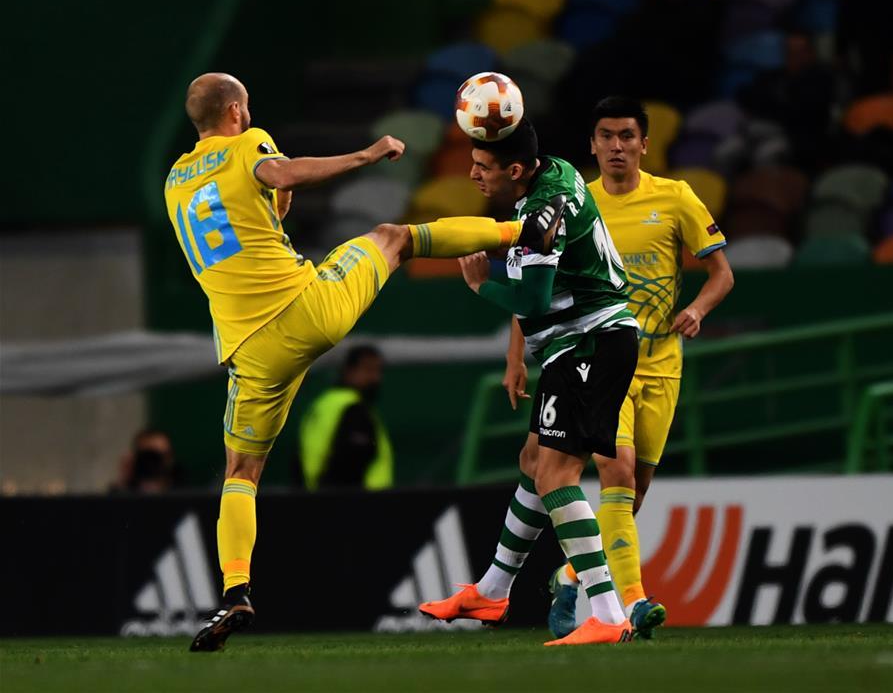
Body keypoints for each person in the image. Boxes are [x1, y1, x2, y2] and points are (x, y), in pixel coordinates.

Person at [165, 73, 558, 652]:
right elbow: (280, 171)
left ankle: (235, 590)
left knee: (241, 474)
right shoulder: (247, 144)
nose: (248, 116)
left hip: (248, 352)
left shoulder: (175, 178)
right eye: (244, 108)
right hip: (304, 310)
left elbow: (239, 226)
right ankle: (523, 230)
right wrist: (369, 153)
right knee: (394, 236)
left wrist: (275, 207)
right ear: (233, 112)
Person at [418, 119, 641, 646]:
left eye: (483, 166)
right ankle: (493, 590)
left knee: (556, 475)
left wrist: (480, 286)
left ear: (514, 170)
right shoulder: (549, 181)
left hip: (589, 343)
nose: (472, 173)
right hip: (577, 345)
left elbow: (532, 301)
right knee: (533, 461)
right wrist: (517, 358)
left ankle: (609, 615)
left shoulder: (541, 214)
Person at [543, 96, 734, 640]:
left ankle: (569, 573)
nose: (617, 146)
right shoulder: (575, 203)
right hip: (600, 362)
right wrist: (517, 356)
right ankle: (633, 603)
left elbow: (722, 274)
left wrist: (696, 309)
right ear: (593, 144)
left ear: (644, 144)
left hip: (662, 366)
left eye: (627, 136)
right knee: (616, 473)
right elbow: (544, 283)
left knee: (632, 493)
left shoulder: (675, 198)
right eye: (606, 135)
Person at [299, 344, 393, 490]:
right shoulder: (354, 409)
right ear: (349, 371)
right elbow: (350, 462)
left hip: (318, 500)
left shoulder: (323, 404)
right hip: (358, 505)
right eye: (368, 370)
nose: (376, 378)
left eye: (378, 371)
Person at [112, 428, 180, 493]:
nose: (152, 462)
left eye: (159, 456)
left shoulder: (183, 495)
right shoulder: (120, 493)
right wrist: (124, 479)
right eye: (147, 456)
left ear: (171, 458)